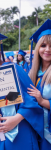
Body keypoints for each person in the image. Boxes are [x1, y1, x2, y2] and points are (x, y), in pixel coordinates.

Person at [28, 19, 51, 149]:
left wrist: (42, 101)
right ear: (37, 48)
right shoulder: (32, 73)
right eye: (43, 45)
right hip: (33, 129)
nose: (47, 49)